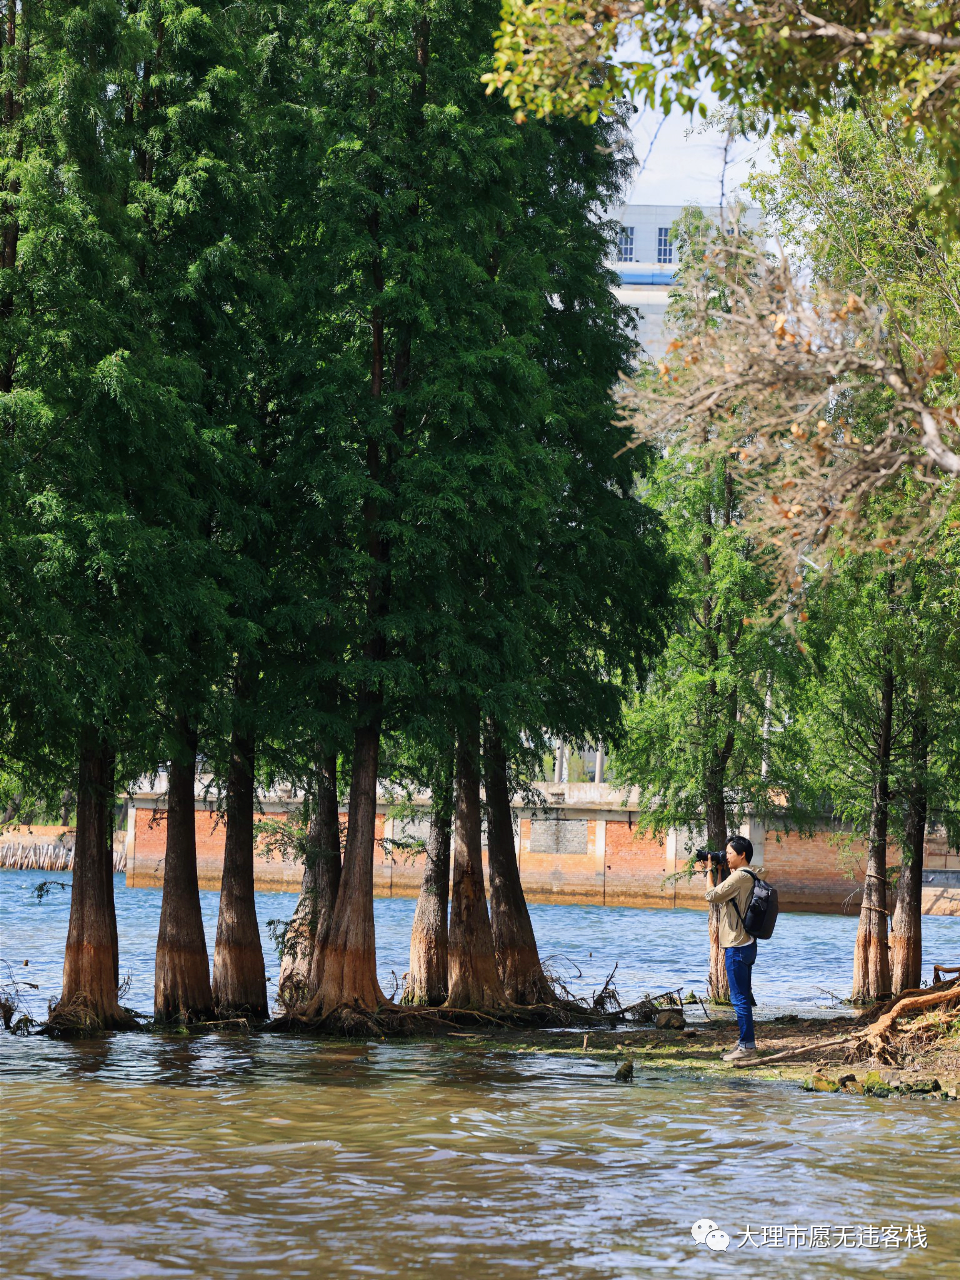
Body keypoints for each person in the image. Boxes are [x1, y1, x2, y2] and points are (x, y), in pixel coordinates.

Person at [704, 835, 758, 1062]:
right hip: (747, 943)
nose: (725, 856)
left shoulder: (739, 877)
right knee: (743, 996)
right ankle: (746, 1043)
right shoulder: (750, 875)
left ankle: (747, 1047)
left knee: (738, 999)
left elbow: (711, 895)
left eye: (729, 853)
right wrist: (719, 871)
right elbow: (724, 893)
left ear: (742, 854)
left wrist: (708, 870)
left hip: (736, 945)